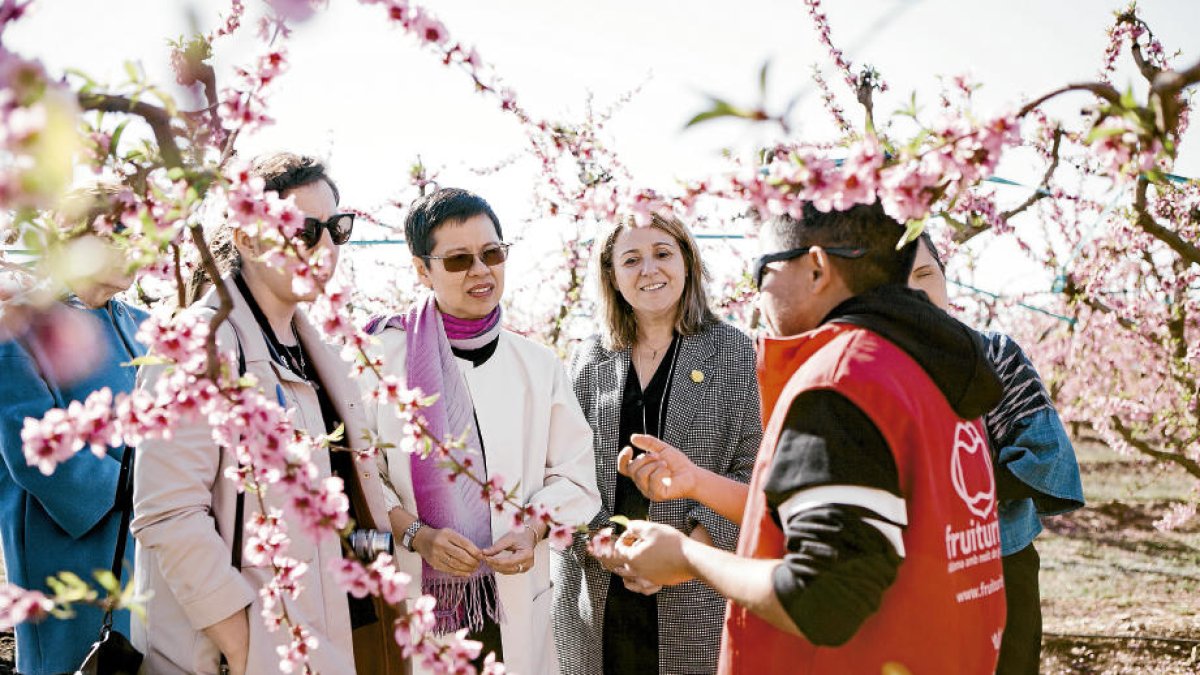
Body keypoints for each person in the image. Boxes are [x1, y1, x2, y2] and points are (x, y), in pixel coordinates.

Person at [611, 201, 1008, 674]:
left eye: (763, 273)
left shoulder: (844, 379)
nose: (758, 298)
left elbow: (822, 598)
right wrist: (697, 481)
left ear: (816, 268)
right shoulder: (927, 367)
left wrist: (688, 557)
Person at [131, 153, 400, 674]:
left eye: (336, 229)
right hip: (244, 653)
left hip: (324, 641)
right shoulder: (197, 346)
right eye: (305, 230)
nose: (324, 247)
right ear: (250, 239)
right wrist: (246, 645)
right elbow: (169, 515)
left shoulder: (321, 354)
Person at [360, 187, 600, 675]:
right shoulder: (378, 359)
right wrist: (418, 536)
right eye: (458, 260)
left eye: (492, 254)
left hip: (516, 594)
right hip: (418, 599)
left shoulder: (538, 365)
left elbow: (576, 479)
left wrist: (532, 532)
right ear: (421, 269)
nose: (481, 271)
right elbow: (357, 473)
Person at [554, 212, 761, 675]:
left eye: (663, 254)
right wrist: (605, 546)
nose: (649, 270)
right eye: (632, 259)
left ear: (686, 261)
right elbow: (564, 468)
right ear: (612, 275)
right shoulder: (588, 357)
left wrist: (691, 553)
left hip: (697, 591)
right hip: (599, 591)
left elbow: (755, 466)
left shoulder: (735, 351)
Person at [910, 232, 1084, 674]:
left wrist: (947, 488)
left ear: (946, 279)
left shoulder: (995, 354)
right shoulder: (864, 371)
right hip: (912, 574)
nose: (915, 290)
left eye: (926, 274)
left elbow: (1044, 454)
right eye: (896, 281)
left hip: (1002, 563)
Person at [0, 183, 147, 675]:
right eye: (120, 233)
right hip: (65, 545)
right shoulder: (20, 325)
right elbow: (28, 445)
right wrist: (136, 483)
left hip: (150, 542)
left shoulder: (149, 327)